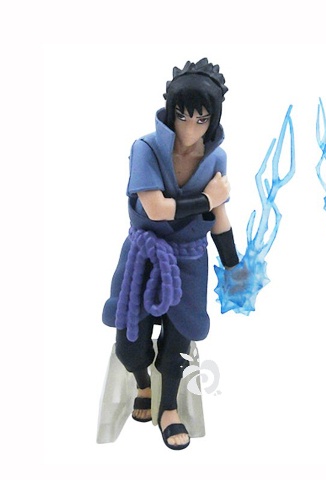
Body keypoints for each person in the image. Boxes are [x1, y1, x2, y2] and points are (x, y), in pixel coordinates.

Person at [102, 58, 239, 450]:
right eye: (183, 117)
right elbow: (155, 208)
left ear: (212, 120)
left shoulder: (215, 159)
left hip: (190, 260)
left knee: (179, 343)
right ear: (171, 112)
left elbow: (219, 217)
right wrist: (206, 199)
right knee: (130, 342)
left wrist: (234, 265)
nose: (190, 129)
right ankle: (142, 384)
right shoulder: (145, 148)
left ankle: (168, 407)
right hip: (144, 257)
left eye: (201, 120)